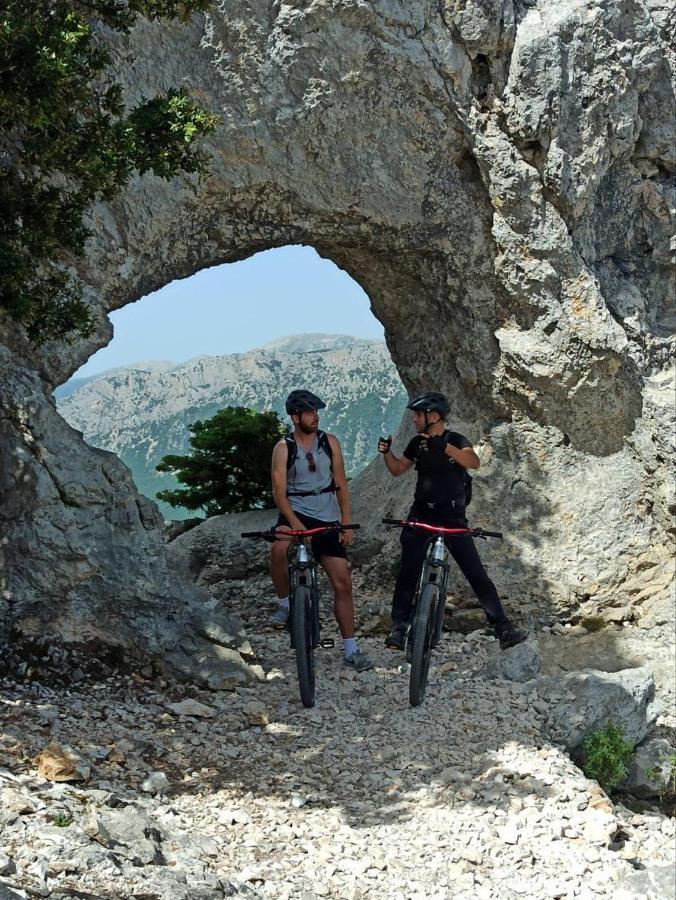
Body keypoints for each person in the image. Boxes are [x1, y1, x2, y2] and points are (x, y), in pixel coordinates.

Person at [378, 391, 525, 651]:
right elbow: (398, 469)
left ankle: (502, 627)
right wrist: (386, 453)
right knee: (408, 571)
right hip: (422, 513)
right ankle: (399, 628)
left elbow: (473, 462)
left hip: (452, 516)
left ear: (433, 416)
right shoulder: (417, 443)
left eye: (418, 415)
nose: (414, 419)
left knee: (475, 572)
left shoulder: (455, 439)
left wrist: (444, 447)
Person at [269, 389, 373, 672]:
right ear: (295, 416)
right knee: (278, 548)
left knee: (343, 581)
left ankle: (351, 648)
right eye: (310, 412)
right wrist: (293, 522)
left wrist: (345, 521)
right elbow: (279, 492)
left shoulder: (330, 443)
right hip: (295, 510)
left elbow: (340, 482)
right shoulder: (284, 448)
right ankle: (285, 604)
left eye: (316, 412)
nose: (316, 417)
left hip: (326, 514)